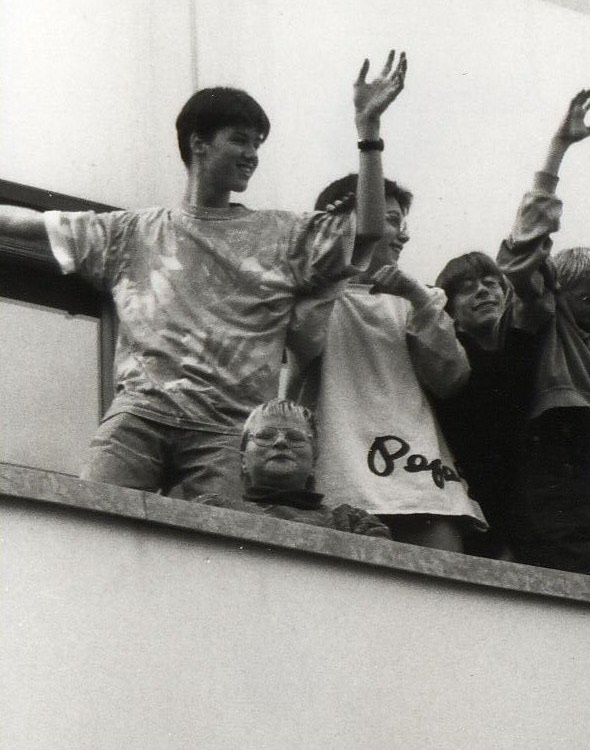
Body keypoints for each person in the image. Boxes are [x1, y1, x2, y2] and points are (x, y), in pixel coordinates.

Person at [0, 54, 408, 500]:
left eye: (257, 144)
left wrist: (368, 131)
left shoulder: (283, 234)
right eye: (240, 140)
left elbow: (367, 230)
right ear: (198, 144)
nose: (252, 155)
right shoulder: (134, 231)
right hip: (141, 414)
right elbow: (29, 225)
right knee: (91, 520)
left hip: (229, 429)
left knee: (227, 546)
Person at [433, 89, 590, 583]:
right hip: (539, 475)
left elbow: (580, 290)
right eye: (468, 288)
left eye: (489, 282)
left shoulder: (571, 333)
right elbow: (524, 260)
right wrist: (556, 153)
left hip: (580, 473)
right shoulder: (532, 325)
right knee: (587, 573)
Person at [289, 174, 481, 551]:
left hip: (419, 479)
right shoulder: (313, 296)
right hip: (338, 474)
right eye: (391, 220)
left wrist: (419, 299)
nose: (403, 235)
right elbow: (303, 341)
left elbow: (451, 377)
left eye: (402, 222)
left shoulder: (419, 299)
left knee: (442, 589)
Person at [195, 399, 391, 539]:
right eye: (265, 435)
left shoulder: (352, 523)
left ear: (314, 463)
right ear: (243, 460)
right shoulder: (209, 510)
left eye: (296, 438)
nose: (280, 442)